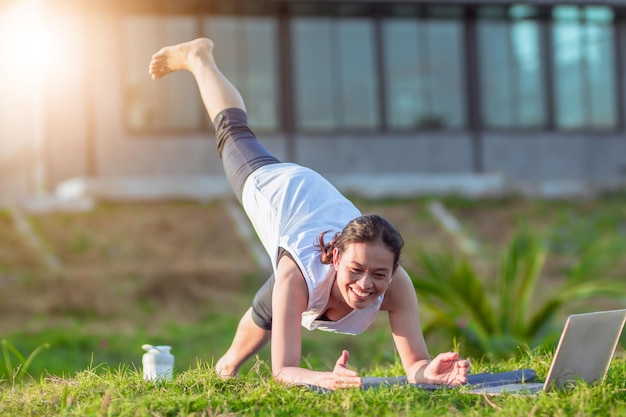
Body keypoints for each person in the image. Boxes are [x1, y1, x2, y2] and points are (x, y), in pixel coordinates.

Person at [148, 38, 469, 391]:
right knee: (233, 133)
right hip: (280, 190)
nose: (365, 285)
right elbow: (284, 370)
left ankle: (225, 366)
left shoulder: (397, 286)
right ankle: (199, 57)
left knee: (271, 303)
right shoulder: (297, 273)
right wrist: (324, 379)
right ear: (334, 257)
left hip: (317, 206)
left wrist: (430, 370)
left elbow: (415, 365)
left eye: (379, 273)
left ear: (393, 270)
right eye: (356, 270)